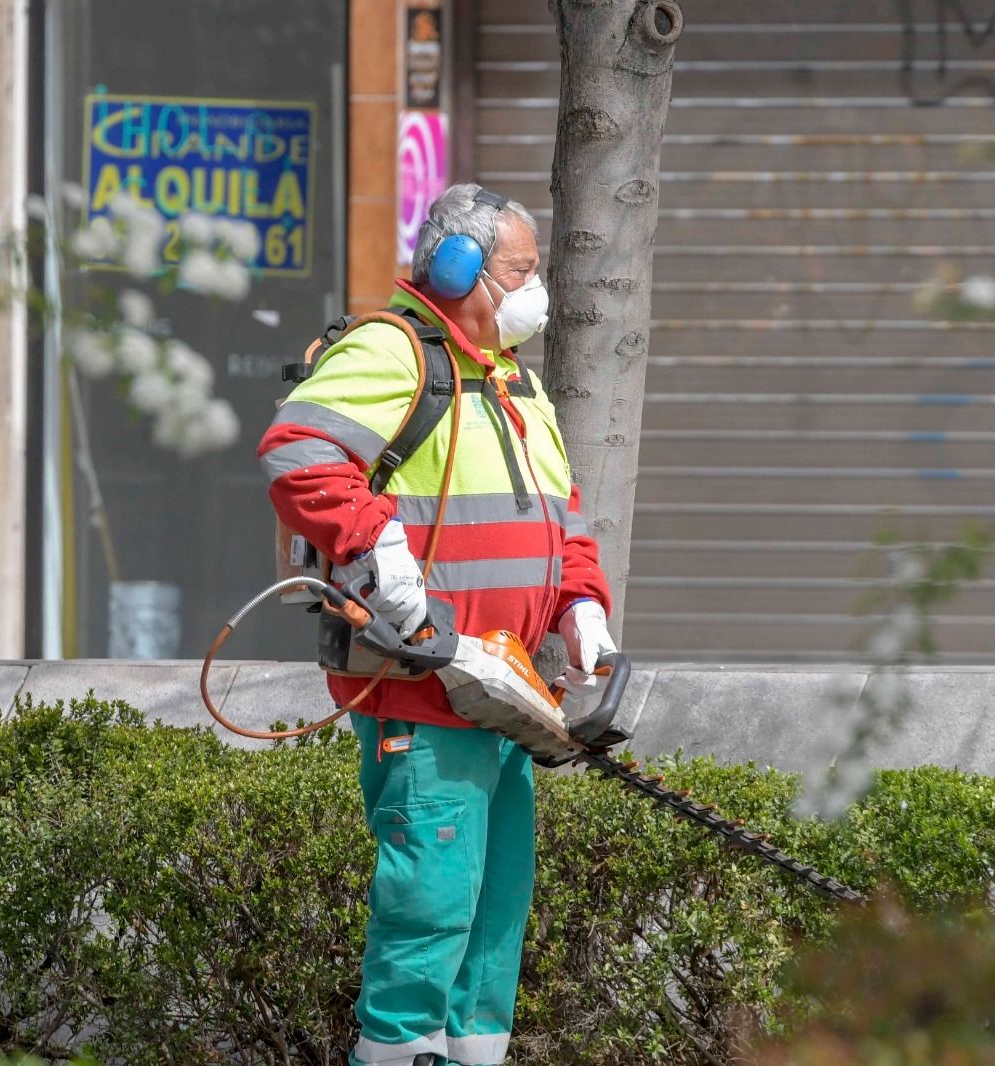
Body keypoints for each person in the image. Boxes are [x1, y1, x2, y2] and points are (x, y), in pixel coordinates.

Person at [256, 184, 617, 1066]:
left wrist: (583, 606)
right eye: (522, 271)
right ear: (460, 269)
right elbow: (297, 452)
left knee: (493, 924)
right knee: (429, 916)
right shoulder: (392, 351)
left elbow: (559, 517)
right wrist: (378, 544)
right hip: (425, 694)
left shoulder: (516, 382)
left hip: (508, 693)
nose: (538, 291)